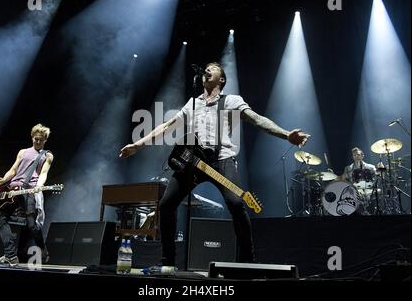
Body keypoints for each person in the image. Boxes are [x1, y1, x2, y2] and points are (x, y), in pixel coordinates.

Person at [119, 62, 309, 267]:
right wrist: (138, 145)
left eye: (213, 68)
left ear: (222, 79)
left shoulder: (231, 101)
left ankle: (247, 260)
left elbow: (257, 119)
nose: (207, 70)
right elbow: (167, 126)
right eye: (206, 68)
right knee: (166, 204)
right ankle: (167, 262)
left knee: (236, 204)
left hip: (222, 159)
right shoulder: (192, 103)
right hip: (193, 162)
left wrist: (286, 134)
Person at [0, 123, 54, 265]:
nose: (38, 142)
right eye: (36, 139)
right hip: (12, 189)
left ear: (45, 140)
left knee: (32, 225)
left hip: (29, 189)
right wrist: (3, 179)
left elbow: (43, 173)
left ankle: (42, 248)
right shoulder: (23, 152)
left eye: (41, 140)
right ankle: (10, 255)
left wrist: (39, 186)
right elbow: (13, 170)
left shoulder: (47, 155)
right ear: (32, 137)